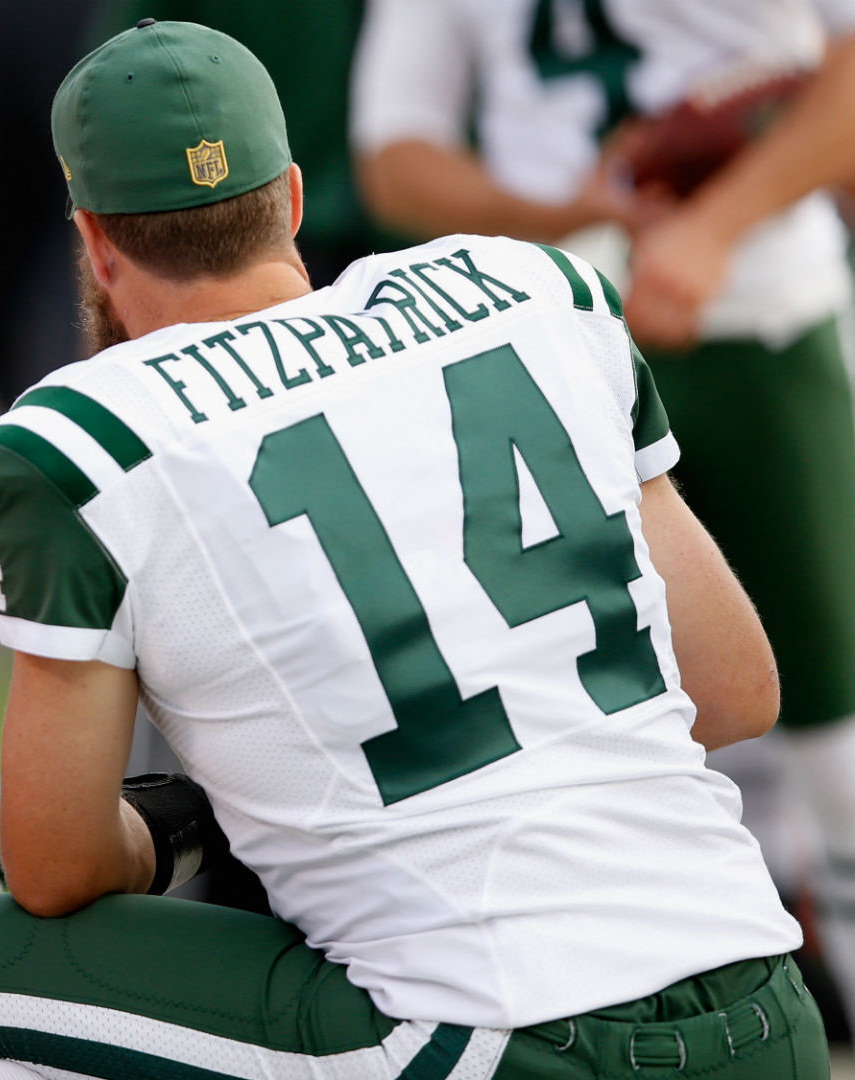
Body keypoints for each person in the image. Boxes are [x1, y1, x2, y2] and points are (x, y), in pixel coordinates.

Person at [0, 22, 823, 1080]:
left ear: (94, 241)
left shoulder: (81, 439)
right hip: (761, 1008)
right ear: (287, 199)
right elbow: (735, 690)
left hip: (485, 1041)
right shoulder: (535, 292)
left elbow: (51, 868)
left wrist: (187, 824)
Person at [351, 0, 855, 1026]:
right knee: (626, 739)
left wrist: (715, 222)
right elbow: (393, 153)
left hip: (769, 326)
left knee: (839, 730)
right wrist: (575, 212)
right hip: (554, 351)